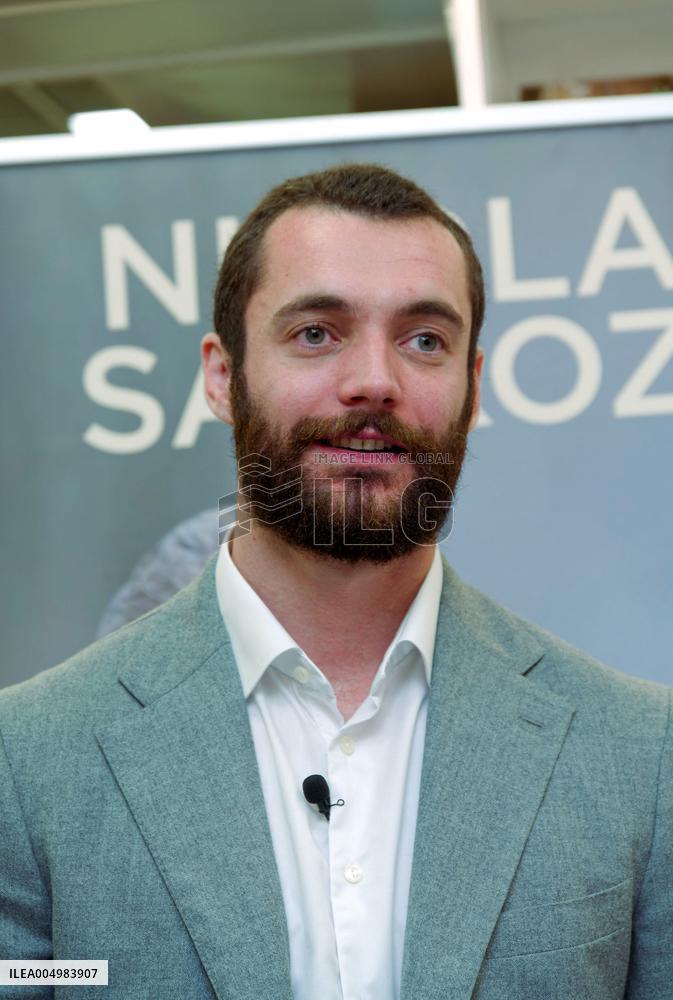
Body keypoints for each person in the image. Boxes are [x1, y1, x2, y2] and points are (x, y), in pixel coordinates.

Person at [0, 164, 670, 1000]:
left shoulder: (641, 756)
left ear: (473, 385)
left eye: (424, 340)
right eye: (316, 332)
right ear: (221, 374)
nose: (374, 381)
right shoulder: (27, 762)